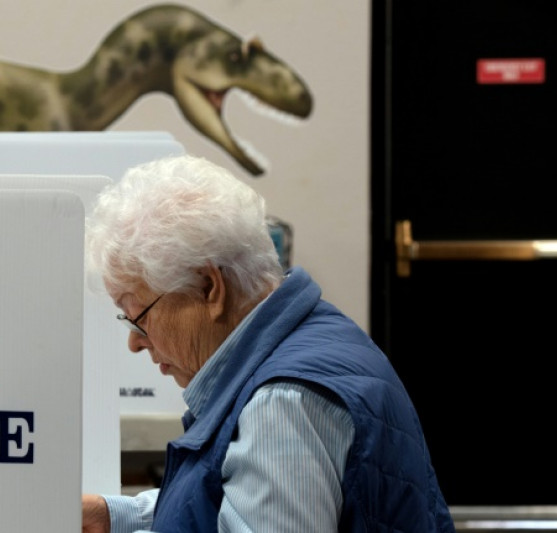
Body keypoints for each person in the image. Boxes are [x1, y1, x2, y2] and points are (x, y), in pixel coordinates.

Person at [81, 154, 455, 533]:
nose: (134, 341)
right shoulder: (312, 337)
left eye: (139, 316)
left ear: (210, 288)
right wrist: (115, 517)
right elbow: (228, 495)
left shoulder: (282, 405)